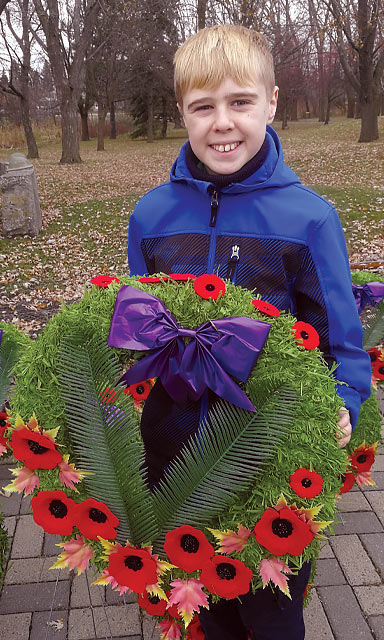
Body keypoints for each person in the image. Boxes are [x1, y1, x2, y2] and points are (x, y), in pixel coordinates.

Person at [127, 24, 371, 640]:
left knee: (270, 607)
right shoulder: (152, 215)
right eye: (203, 107)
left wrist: (343, 401)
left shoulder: (309, 218)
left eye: (240, 102)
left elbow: (339, 339)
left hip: (273, 448)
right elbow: (138, 326)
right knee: (201, 597)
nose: (222, 123)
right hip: (176, 445)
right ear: (182, 111)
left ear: (272, 101)